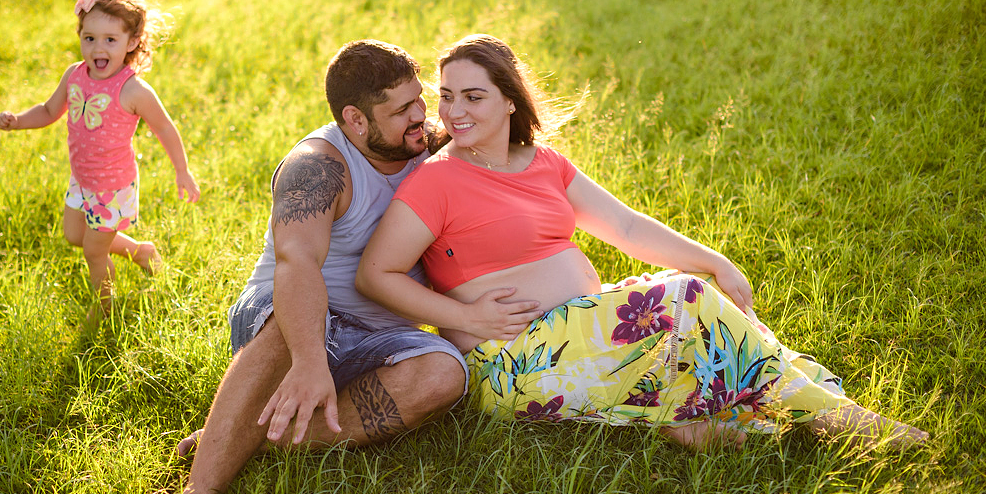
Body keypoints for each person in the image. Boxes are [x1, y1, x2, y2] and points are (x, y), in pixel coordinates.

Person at [357, 34, 929, 451]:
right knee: (680, 300)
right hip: (514, 361)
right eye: (447, 96)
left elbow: (627, 227)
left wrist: (715, 261)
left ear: (510, 100)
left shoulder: (544, 163)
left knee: (698, 311)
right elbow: (375, 275)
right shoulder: (437, 179)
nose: (454, 112)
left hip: (582, 337)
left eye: (473, 97)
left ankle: (699, 422)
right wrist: (466, 316)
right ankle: (840, 419)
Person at [143, 40, 540, 494]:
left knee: (445, 375)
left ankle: (252, 437)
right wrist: (310, 360)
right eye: (400, 111)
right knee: (291, 330)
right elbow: (296, 265)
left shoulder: (437, 149)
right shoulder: (317, 167)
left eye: (418, 100)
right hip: (295, 315)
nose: (421, 117)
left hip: (384, 333)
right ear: (354, 120)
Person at [0, 0, 200, 313]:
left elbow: (165, 127)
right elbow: (48, 110)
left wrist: (183, 171)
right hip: (83, 179)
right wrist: (17, 122)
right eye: (89, 38)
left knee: (94, 250)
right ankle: (141, 251)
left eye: (109, 40)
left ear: (131, 42)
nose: (97, 48)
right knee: (74, 236)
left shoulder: (132, 89)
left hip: (113, 187)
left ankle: (105, 307)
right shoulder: (74, 75)